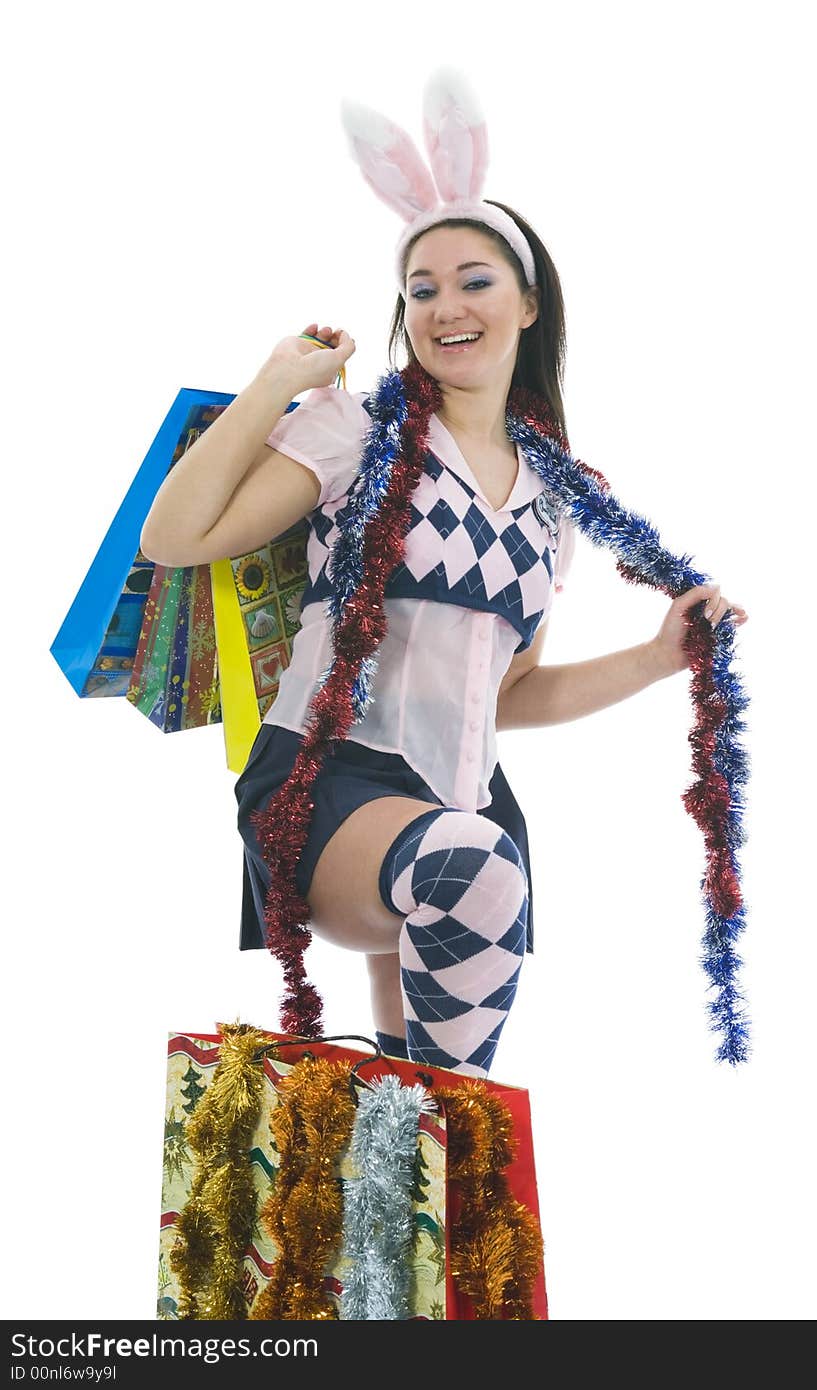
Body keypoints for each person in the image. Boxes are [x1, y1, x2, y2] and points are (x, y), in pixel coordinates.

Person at [139, 74, 748, 1079]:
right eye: (420, 289)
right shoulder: (356, 432)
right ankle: (443, 1133)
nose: (444, 306)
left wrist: (653, 659)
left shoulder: (556, 497)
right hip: (328, 775)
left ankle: (421, 1185)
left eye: (472, 279)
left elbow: (507, 692)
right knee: (473, 872)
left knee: (416, 1064)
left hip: (457, 792)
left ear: (527, 300)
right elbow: (175, 534)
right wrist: (276, 383)